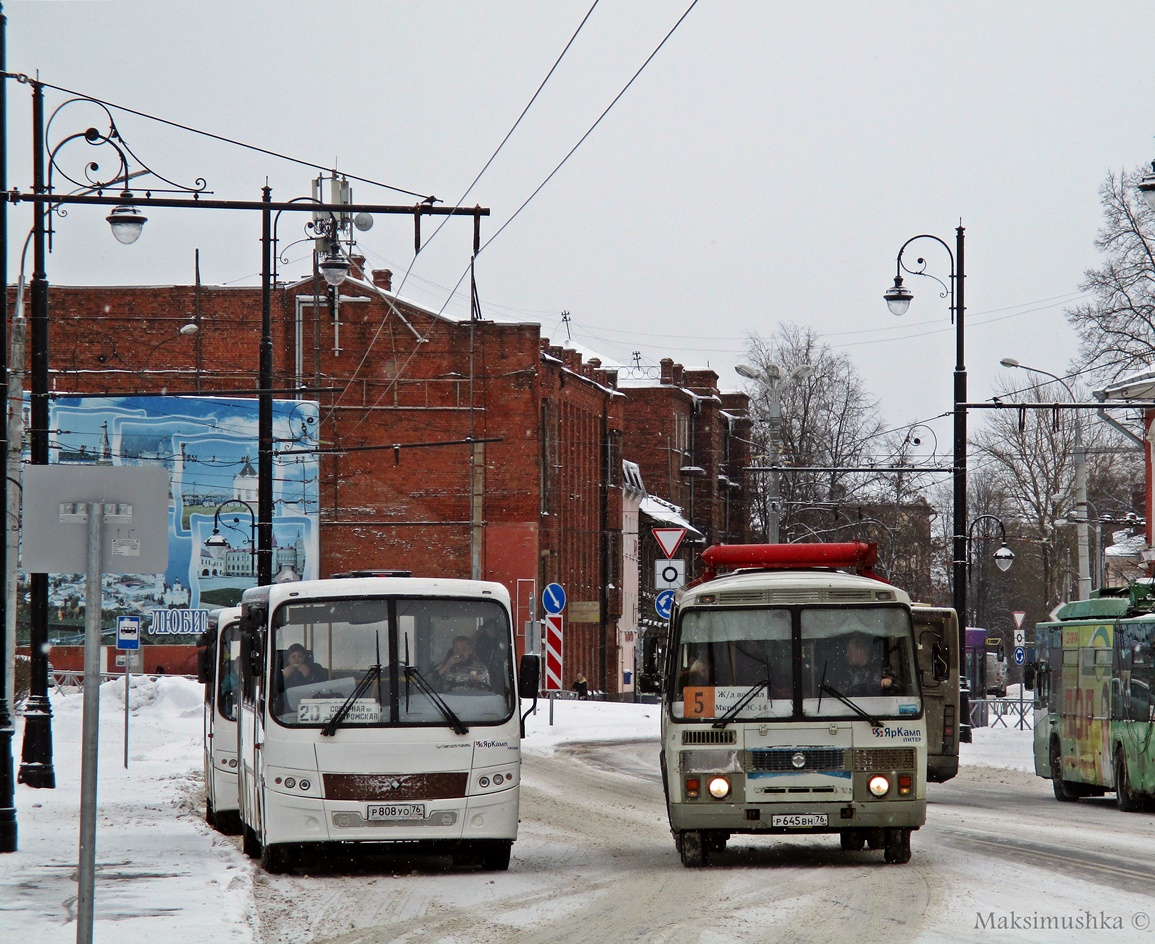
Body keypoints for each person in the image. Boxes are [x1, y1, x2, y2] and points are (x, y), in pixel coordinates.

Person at [829, 633, 895, 696]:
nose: (846, 655)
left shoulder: (881, 665)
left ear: (859, 651)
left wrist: (889, 682)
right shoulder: (848, 672)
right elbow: (837, 695)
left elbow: (899, 687)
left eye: (848, 651)